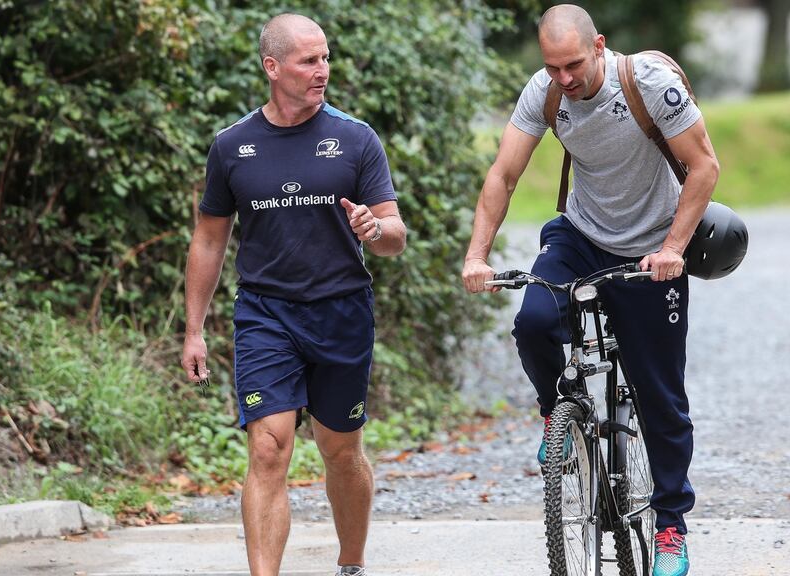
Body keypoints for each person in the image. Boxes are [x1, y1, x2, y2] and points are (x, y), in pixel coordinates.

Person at [461, 5, 718, 576]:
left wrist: (673, 247)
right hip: (580, 234)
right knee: (532, 322)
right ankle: (559, 421)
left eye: (573, 64)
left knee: (661, 397)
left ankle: (672, 526)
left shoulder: (649, 85)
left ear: (599, 46)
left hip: (652, 247)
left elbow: (703, 167)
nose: (565, 80)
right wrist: (477, 254)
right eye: (553, 68)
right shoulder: (545, 92)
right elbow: (504, 174)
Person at [181, 13, 406, 576]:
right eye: (310, 60)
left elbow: (395, 234)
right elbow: (209, 239)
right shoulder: (232, 146)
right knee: (268, 448)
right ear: (272, 66)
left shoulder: (354, 139)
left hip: (341, 313)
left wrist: (375, 231)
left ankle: (351, 564)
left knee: (340, 450)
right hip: (266, 314)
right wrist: (193, 330)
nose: (322, 70)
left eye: (326, 57)